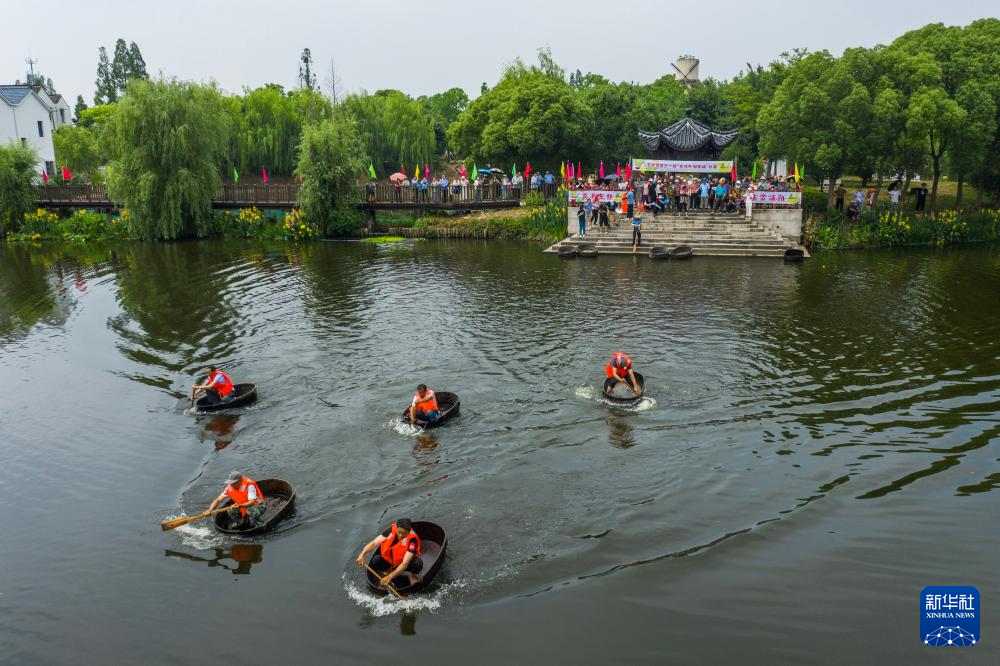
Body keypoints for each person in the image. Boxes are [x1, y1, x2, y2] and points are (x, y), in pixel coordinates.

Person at [355, 518, 423, 588]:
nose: (400, 535)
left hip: (405, 564)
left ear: (409, 531)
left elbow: (405, 563)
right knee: (376, 560)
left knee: (417, 563)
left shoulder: (412, 540)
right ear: (396, 528)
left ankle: (411, 575)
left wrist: (389, 577)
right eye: (399, 532)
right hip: (392, 562)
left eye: (404, 533)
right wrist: (362, 554)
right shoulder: (390, 530)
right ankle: (389, 571)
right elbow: (374, 543)